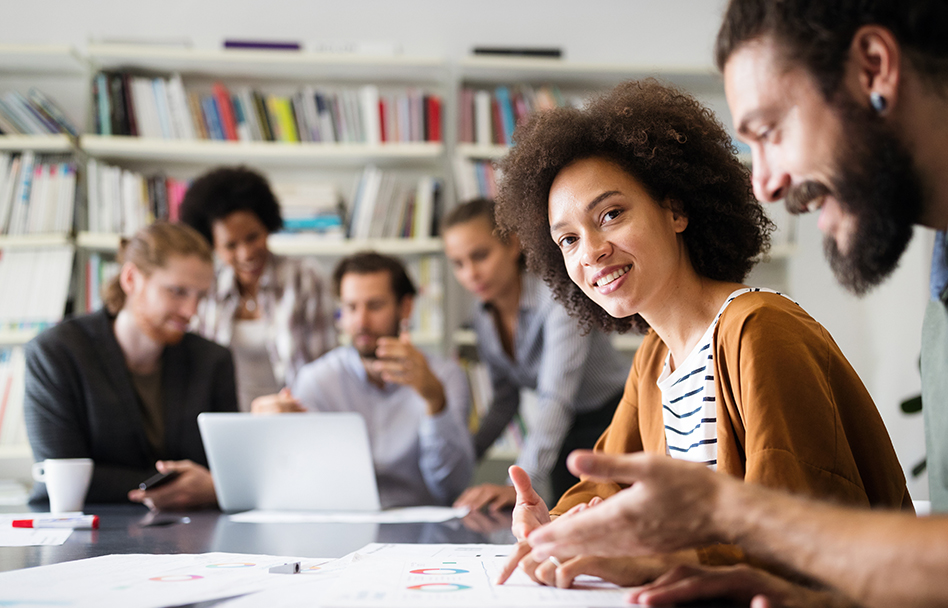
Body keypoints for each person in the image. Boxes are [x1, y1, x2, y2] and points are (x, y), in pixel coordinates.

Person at [521, 1, 948, 606]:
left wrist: (725, 517)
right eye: (568, 239)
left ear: (874, 69)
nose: (766, 184)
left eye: (769, 131)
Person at [493, 79, 912, 589]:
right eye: (568, 239)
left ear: (675, 210)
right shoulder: (655, 359)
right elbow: (606, 486)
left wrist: (660, 558)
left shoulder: (759, 331)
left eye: (611, 214)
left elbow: (801, 530)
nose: (591, 251)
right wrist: (555, 529)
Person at [24, 222, 237, 511]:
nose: (191, 311)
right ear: (131, 279)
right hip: (86, 528)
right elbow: (63, 474)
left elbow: (227, 469)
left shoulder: (212, 360)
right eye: (177, 291)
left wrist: (216, 484)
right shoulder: (56, 353)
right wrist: (199, 485)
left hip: (191, 534)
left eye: (200, 296)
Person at [442, 198, 631, 511]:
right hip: (565, 430)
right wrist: (464, 459)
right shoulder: (482, 316)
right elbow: (505, 401)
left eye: (480, 255)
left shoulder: (559, 299)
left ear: (512, 245)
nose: (470, 274)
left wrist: (518, 486)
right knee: (566, 523)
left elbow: (555, 397)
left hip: (612, 422)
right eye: (458, 263)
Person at [251, 252, 474, 508]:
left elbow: (451, 487)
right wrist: (269, 434)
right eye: (351, 307)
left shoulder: (444, 377)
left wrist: (435, 399)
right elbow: (296, 478)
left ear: (406, 307)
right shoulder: (317, 380)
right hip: (341, 525)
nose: (361, 321)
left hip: (422, 529)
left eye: (375, 305)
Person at [180, 166, 336, 411]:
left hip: (295, 416)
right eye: (230, 245)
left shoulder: (305, 278)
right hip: (227, 417)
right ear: (212, 246)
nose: (246, 253)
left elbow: (325, 368)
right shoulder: (206, 287)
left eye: (252, 237)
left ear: (267, 225)